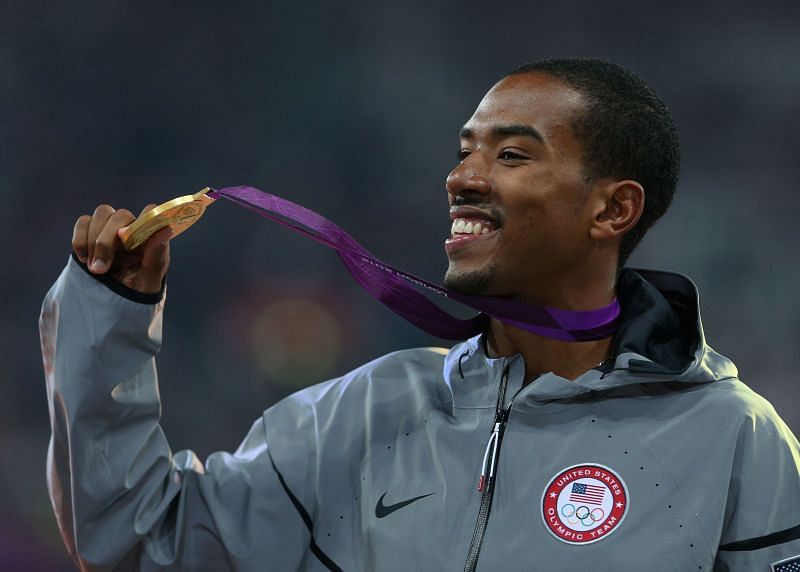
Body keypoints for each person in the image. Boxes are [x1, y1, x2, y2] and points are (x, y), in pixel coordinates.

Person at [40, 59, 800, 571]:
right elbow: (140, 543)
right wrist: (111, 319)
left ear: (612, 208)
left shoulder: (733, 439)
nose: (462, 178)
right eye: (465, 151)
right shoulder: (360, 415)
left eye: (510, 156)